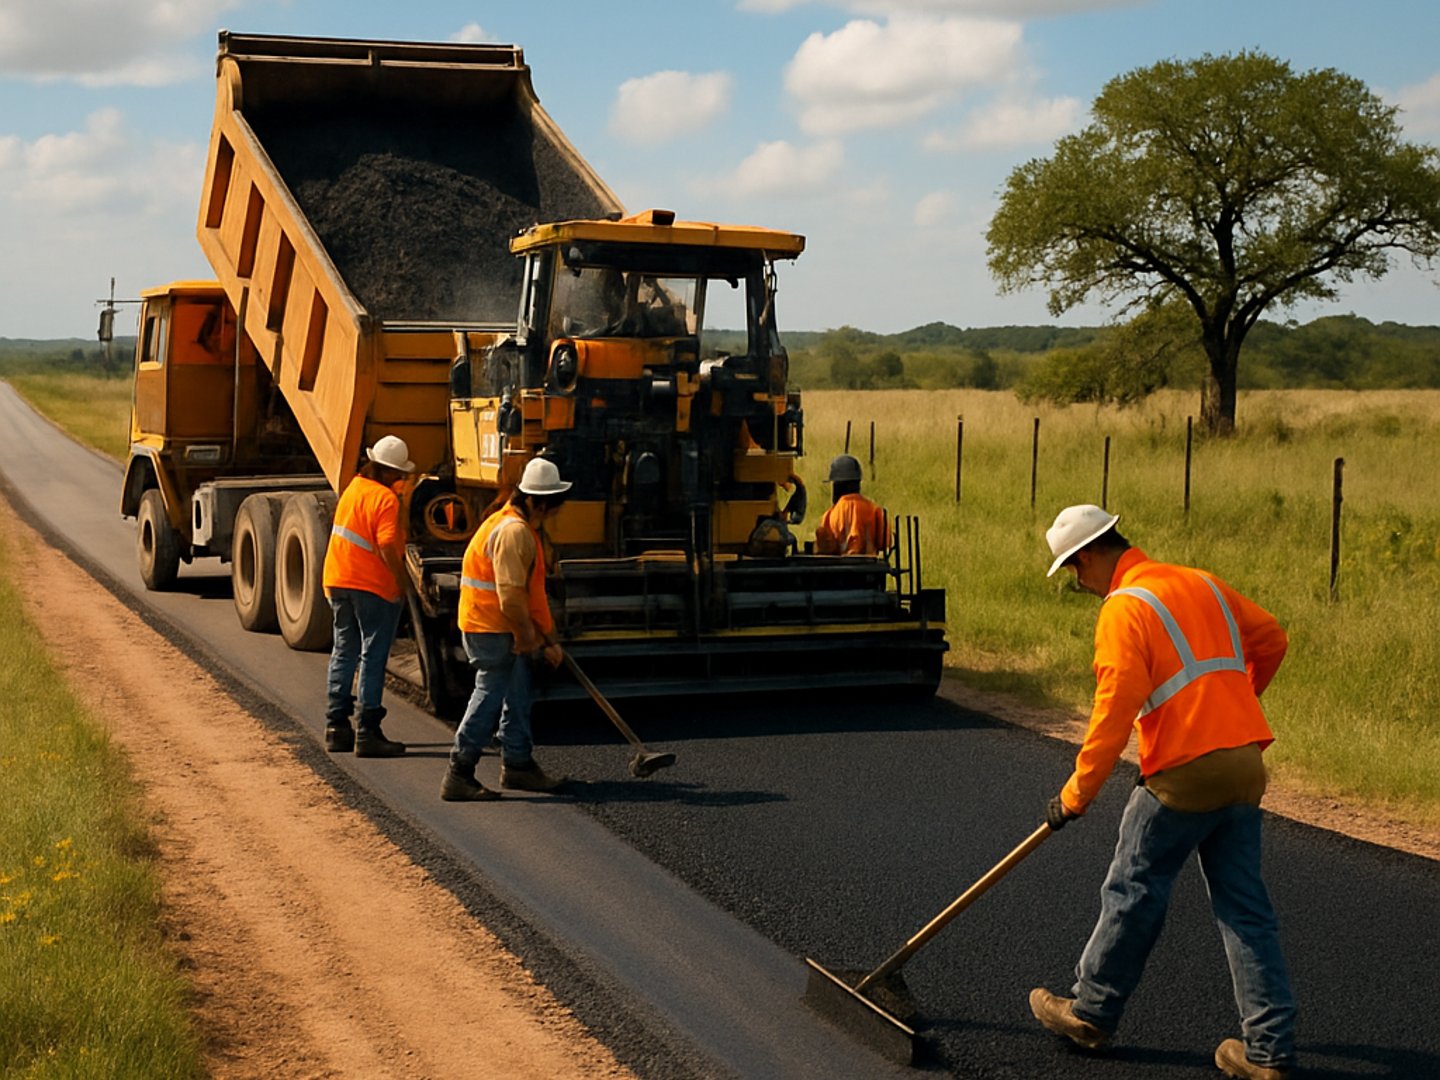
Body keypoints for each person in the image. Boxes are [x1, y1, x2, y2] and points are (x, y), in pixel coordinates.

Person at [1029, 504, 1296, 1080]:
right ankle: (1268, 1052)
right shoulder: (1200, 582)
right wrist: (1235, 709)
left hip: (1185, 771)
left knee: (1134, 887)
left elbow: (1113, 712)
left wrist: (1077, 794)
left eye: (1074, 571)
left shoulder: (1124, 609)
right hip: (1245, 764)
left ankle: (1092, 1011)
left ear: (1089, 557)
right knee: (1246, 909)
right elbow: (1272, 638)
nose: (1078, 583)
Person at [440, 457, 573, 801]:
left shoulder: (506, 523)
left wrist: (547, 639)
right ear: (533, 501)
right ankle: (459, 772)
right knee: (489, 695)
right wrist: (528, 638)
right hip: (492, 628)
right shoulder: (514, 532)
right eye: (548, 508)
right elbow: (512, 598)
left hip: (494, 625)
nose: (550, 516)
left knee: (518, 691)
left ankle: (518, 764)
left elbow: (529, 597)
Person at [322, 434, 415, 758]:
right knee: (372, 656)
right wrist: (401, 580)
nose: (403, 479)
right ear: (390, 472)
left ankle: (336, 726)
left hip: (338, 580)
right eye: (400, 474)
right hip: (372, 587)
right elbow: (388, 543)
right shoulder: (386, 499)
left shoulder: (354, 489)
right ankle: (367, 731)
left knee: (344, 650)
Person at [814, 454, 889, 555]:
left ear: (837, 486)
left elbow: (824, 548)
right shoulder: (875, 510)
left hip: (840, 569)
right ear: (857, 483)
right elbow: (884, 543)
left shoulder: (829, 515)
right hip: (870, 568)